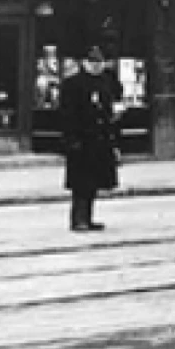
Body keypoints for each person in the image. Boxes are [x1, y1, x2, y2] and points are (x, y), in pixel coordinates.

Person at [59, 45, 124, 232]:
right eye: (92, 62)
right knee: (81, 183)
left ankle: (88, 217)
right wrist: (71, 139)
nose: (96, 66)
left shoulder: (105, 81)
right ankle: (78, 219)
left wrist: (114, 116)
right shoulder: (73, 84)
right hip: (81, 139)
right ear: (84, 63)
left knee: (94, 182)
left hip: (100, 140)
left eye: (99, 62)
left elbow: (109, 105)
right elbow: (67, 114)